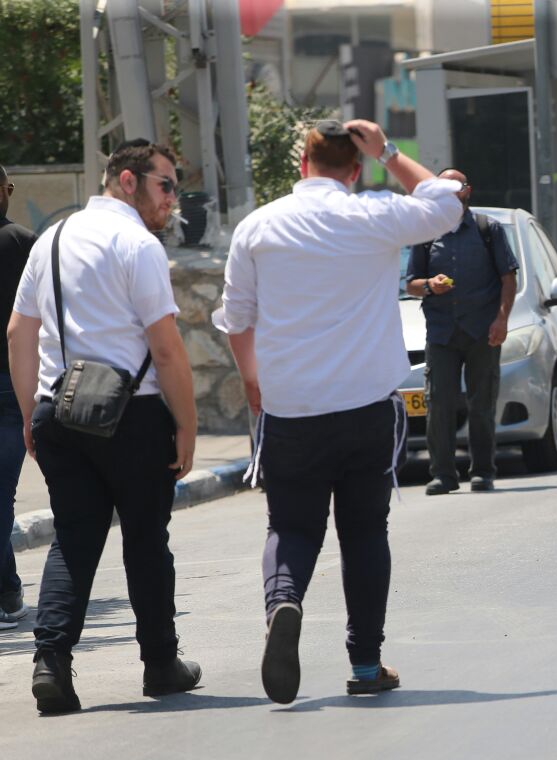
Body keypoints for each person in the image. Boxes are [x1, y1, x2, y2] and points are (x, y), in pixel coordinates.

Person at [217, 119, 462, 704]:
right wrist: (390, 152)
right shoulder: (372, 214)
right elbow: (446, 202)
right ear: (355, 168)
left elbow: (237, 318)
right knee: (364, 533)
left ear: (302, 163)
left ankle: (283, 603)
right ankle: (367, 665)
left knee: (292, 527)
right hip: (364, 408)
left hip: (290, 407)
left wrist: (254, 383)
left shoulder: (257, 228)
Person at [8, 139, 200, 714]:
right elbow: (165, 350)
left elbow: (19, 334)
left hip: (58, 410)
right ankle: (161, 664)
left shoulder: (52, 239)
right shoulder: (136, 244)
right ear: (126, 181)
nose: (172, 199)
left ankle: (51, 663)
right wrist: (187, 427)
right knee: (145, 537)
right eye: (165, 185)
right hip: (132, 413)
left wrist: (30, 416)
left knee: (73, 537)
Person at [405, 169, 519, 495]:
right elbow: (411, 284)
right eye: (446, 187)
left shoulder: (487, 229)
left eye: (458, 186)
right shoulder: (425, 234)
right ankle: (443, 474)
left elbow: (508, 278)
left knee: (481, 403)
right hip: (441, 334)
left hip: (483, 331)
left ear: (468, 191)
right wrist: (430, 285)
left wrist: (501, 320)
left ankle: (483, 471)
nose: (453, 192)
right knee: (438, 402)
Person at [0, 166, 35, 630]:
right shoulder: (25, 242)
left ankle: (8, 591)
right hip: (14, 385)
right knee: (2, 492)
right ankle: (7, 592)